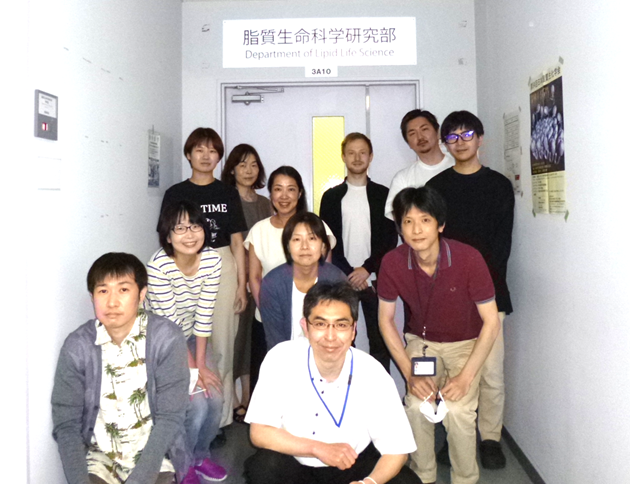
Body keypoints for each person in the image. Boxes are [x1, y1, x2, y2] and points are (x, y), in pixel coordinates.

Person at [378, 186, 501, 484]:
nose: (416, 229)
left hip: (466, 344)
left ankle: (465, 479)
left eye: (425, 220)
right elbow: (385, 319)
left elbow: (491, 322)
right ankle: (423, 476)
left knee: (457, 410)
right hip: (423, 345)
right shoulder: (392, 262)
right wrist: (409, 373)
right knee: (417, 404)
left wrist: (466, 377)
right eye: (408, 222)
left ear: (440, 224)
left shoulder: (469, 258)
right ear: (400, 228)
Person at [244, 281, 421, 484]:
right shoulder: (281, 358)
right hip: (295, 461)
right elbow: (259, 432)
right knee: (263, 467)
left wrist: (369, 483)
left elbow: (397, 449)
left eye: (341, 325)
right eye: (320, 324)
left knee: (406, 481)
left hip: (352, 465)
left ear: (353, 330)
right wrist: (317, 448)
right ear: (305, 327)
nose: (330, 336)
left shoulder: (373, 373)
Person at [52, 253, 192, 484]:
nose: (112, 302)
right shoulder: (77, 346)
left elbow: (170, 416)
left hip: (155, 457)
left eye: (123, 289)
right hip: (100, 460)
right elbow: (67, 424)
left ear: (142, 294)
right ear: (92, 297)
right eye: (103, 291)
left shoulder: (166, 338)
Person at [426, 110, 515, 469]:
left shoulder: (499, 185)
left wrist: (481, 289)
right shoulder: (436, 188)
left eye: (466, 135)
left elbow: (502, 245)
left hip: (490, 292)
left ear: (480, 139)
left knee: (491, 372)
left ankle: (490, 438)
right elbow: (430, 242)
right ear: (445, 144)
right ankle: (454, 435)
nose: (460, 142)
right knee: (450, 371)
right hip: (446, 294)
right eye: (452, 137)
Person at [160, 127, 247, 428]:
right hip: (185, 263)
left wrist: (242, 285)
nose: (206, 156)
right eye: (199, 149)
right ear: (189, 154)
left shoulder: (227, 193)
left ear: (219, 156)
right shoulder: (175, 194)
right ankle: (192, 411)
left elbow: (237, 242)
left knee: (222, 344)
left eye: (212, 150)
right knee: (185, 338)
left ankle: (220, 419)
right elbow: (166, 235)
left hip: (222, 262)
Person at [145, 200, 227, 481]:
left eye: (195, 226)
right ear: (168, 236)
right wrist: (193, 371)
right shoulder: (159, 266)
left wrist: (201, 365)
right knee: (195, 403)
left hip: (193, 336)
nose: (189, 234)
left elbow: (205, 313)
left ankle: (200, 455)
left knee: (215, 397)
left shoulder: (212, 260)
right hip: (161, 341)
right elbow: (171, 326)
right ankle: (183, 464)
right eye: (180, 228)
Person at [244, 166, 335, 387]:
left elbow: (327, 274)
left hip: (316, 318)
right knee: (271, 380)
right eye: (278, 189)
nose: (284, 196)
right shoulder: (259, 230)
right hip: (268, 318)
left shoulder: (317, 226)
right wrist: (269, 311)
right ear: (271, 194)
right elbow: (254, 277)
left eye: (291, 189)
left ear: (300, 193)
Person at [319, 132, 398, 371]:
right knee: (341, 341)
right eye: (351, 153)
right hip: (341, 281)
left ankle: (380, 390)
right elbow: (327, 241)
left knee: (380, 342)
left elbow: (389, 239)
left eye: (362, 152)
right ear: (343, 156)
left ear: (370, 156)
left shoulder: (383, 195)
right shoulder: (331, 197)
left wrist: (366, 269)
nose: (357, 157)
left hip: (375, 281)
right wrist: (350, 273)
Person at [220, 143, 274, 423]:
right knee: (236, 339)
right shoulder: (226, 199)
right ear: (232, 169)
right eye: (242, 164)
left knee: (256, 339)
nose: (249, 170)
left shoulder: (265, 203)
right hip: (235, 277)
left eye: (254, 164)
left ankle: (250, 398)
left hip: (263, 278)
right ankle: (232, 399)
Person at [259, 212, 346, 350]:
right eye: (297, 239)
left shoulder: (337, 280)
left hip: (329, 352)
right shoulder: (272, 284)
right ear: (287, 247)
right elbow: (275, 340)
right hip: (287, 356)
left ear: (323, 246)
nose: (304, 246)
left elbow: (343, 332)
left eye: (312, 238)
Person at [384, 109, 454, 220]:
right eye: (412, 133)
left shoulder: (458, 165)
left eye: (424, 129)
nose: (420, 137)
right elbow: (396, 214)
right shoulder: (402, 178)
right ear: (408, 143)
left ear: (437, 133)